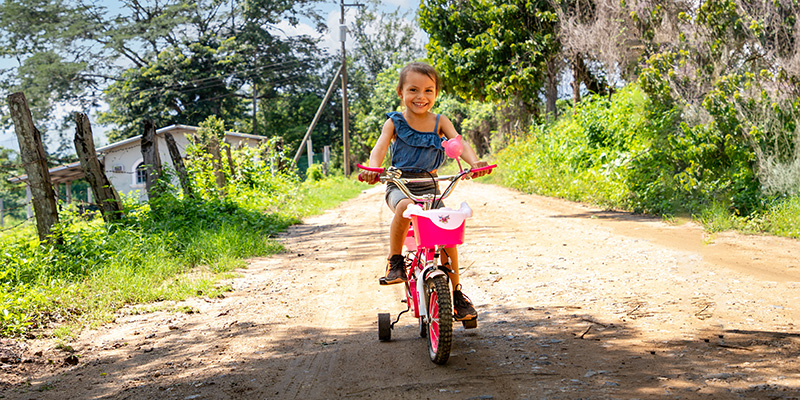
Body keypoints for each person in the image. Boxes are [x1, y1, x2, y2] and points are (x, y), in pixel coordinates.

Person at [359, 62, 492, 321]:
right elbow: (380, 148)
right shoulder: (394, 122)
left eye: (428, 91)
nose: (421, 97)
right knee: (404, 207)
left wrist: (474, 163)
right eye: (413, 90)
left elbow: (458, 144)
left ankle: (454, 294)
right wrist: (373, 169)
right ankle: (396, 260)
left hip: (430, 186)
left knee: (448, 229)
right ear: (400, 92)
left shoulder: (440, 121)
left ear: (436, 93)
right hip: (400, 183)